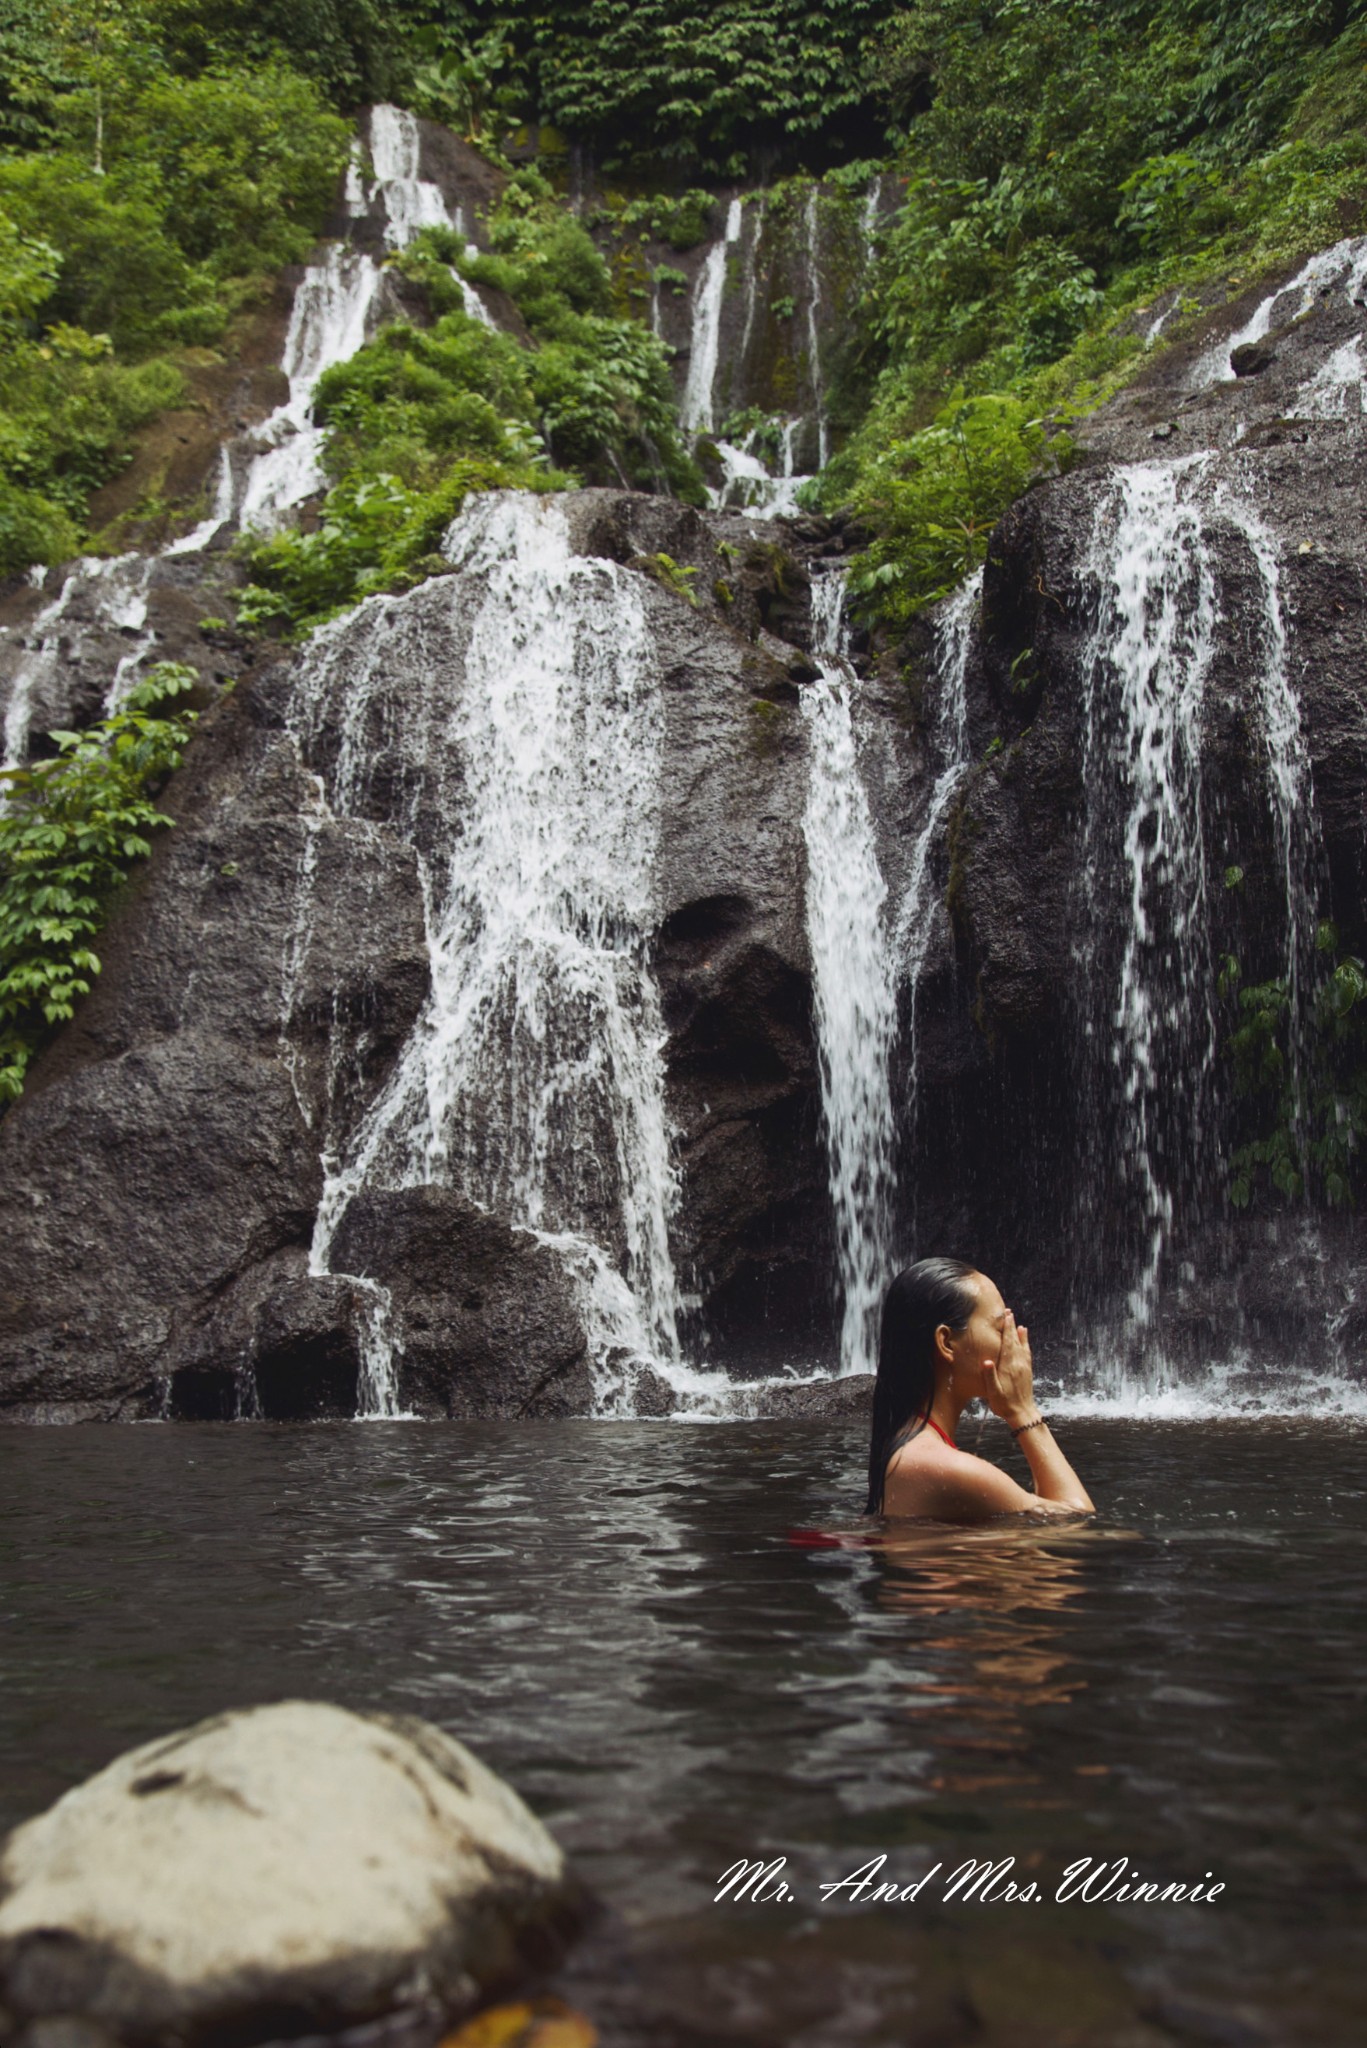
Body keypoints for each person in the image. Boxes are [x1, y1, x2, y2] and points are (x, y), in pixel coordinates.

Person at [866, 1258, 1095, 1522]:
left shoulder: (907, 1446)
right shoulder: (947, 1467)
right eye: (1001, 1328)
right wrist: (1022, 1410)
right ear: (947, 1343)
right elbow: (1077, 1525)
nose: (1013, 1343)